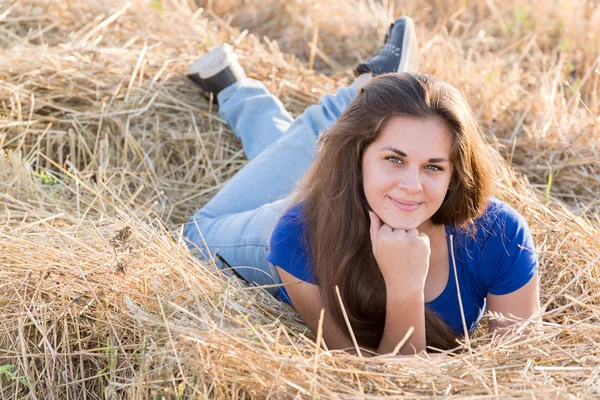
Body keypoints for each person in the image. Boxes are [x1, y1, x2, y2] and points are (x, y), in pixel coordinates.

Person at [183, 16, 540, 355]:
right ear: (357, 157)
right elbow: (374, 377)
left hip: (361, 190)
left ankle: (231, 87)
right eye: (394, 159)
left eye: (433, 166)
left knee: (286, 159)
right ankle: (360, 92)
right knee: (192, 236)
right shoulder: (298, 234)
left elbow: (521, 370)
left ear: (455, 174)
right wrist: (405, 288)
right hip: (311, 213)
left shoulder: (499, 235)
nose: (411, 185)